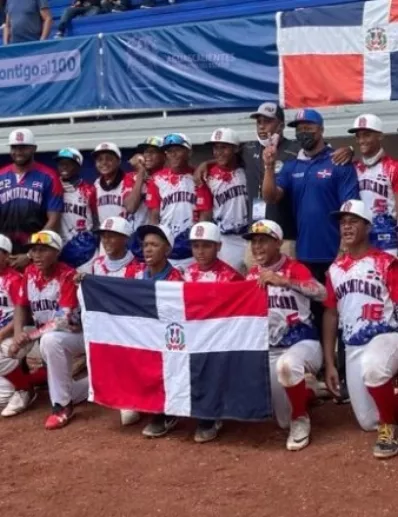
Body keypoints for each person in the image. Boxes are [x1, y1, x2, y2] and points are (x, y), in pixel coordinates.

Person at [323, 200, 398, 459]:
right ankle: (387, 413)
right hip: (353, 346)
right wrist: (330, 363)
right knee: (368, 421)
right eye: (343, 222)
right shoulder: (334, 271)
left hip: (387, 336)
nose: (346, 226)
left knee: (374, 366)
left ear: (367, 227)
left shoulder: (385, 262)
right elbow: (331, 315)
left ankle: (389, 430)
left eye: (353, 221)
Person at [245, 219, 326, 451]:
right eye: (254, 242)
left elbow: (321, 293)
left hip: (303, 342)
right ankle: (307, 389)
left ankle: (301, 420)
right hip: (272, 347)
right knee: (282, 421)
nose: (257, 247)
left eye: (263, 241)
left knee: (287, 367)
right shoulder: (251, 276)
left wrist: (285, 281)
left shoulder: (295, 268)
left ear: (278, 243)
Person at [9, 231, 87, 430]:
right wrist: (18, 334)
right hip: (47, 333)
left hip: (79, 335)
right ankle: (89, 386)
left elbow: (62, 320)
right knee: (41, 342)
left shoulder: (68, 275)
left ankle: (61, 406)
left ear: (56, 252)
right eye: (33, 250)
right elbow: (21, 305)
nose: (36, 255)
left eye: (43, 250)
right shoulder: (29, 273)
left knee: (50, 341)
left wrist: (29, 337)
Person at [184, 221, 243, 443]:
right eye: (196, 246)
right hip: (192, 335)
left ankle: (210, 415)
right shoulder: (186, 274)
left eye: (206, 246)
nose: (200, 251)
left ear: (218, 246)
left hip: (219, 339)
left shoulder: (230, 277)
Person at [133, 223, 183, 437]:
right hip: (142, 337)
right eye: (145, 245)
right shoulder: (136, 275)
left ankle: (166, 413)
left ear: (167, 250)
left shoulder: (177, 279)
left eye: (154, 244)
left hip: (168, 340)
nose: (148, 249)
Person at [146, 133, 212, 271]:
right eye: (169, 151)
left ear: (189, 152)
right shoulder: (157, 179)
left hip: (192, 246)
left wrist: (198, 243)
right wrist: (156, 245)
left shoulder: (198, 177)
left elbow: (204, 214)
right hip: (168, 245)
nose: (173, 155)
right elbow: (154, 216)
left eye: (178, 150)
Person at [0, 128, 63, 270]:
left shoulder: (49, 176)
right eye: (14, 147)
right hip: (4, 253)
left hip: (35, 255)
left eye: (23, 147)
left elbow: (54, 220)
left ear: (34, 148)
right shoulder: (1, 175)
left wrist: (31, 254)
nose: (18, 152)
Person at [196, 128, 248, 272]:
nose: (218, 152)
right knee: (229, 283)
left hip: (251, 235)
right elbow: (205, 213)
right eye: (216, 148)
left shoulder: (248, 168)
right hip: (227, 239)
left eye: (224, 147)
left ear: (236, 148)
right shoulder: (207, 176)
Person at [0, 234, 40, 417]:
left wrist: (2, 334)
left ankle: (25, 389)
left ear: (7, 256)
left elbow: (23, 314)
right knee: (2, 399)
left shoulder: (14, 279)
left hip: (20, 332)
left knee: (3, 354)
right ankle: (35, 378)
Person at [348, 114, 398, 256]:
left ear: (380, 136)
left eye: (367, 135)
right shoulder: (352, 167)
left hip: (388, 242)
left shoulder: (393, 167)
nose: (361, 140)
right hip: (361, 241)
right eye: (358, 136)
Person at [54, 148, 99, 272]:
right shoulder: (52, 188)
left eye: (68, 163)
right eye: (61, 163)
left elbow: (96, 221)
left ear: (78, 166)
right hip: (59, 249)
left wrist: (91, 241)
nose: (64, 166)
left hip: (85, 250)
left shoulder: (89, 190)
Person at [126, 136, 165, 257]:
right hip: (135, 236)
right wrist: (141, 174)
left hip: (158, 236)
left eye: (153, 152)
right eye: (145, 152)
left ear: (163, 155)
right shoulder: (131, 177)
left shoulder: (166, 178)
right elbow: (130, 207)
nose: (147, 155)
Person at [93, 142, 134, 226]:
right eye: (99, 159)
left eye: (109, 159)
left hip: (126, 232)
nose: (104, 162)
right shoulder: (96, 184)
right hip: (105, 234)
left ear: (118, 161)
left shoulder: (129, 180)